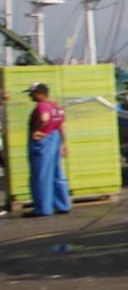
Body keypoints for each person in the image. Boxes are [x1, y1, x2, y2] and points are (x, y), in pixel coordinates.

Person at [25, 82, 71, 217]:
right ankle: (63, 205)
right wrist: (63, 144)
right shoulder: (57, 107)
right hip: (55, 138)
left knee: (41, 175)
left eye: (32, 93)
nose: (30, 96)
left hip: (43, 141)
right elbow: (62, 125)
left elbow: (44, 118)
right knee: (57, 173)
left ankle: (43, 208)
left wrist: (37, 130)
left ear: (39, 93)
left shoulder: (42, 106)